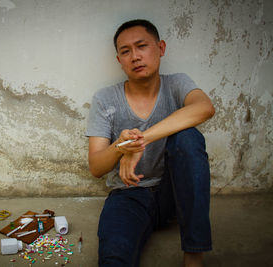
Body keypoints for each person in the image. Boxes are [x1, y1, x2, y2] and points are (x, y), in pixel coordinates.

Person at [86, 19, 215, 267]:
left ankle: (194, 257)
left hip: (173, 193)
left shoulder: (177, 84)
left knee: (188, 137)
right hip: (129, 195)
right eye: (126, 51)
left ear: (161, 48)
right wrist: (121, 147)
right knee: (114, 259)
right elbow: (96, 167)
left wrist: (140, 141)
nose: (135, 56)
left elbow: (205, 108)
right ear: (119, 60)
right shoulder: (105, 99)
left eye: (142, 46)